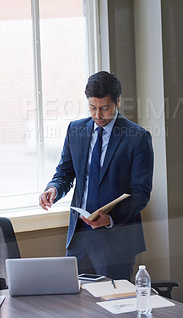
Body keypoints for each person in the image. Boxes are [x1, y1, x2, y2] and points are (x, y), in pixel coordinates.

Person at [39, 71, 153, 281]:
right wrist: (53, 188)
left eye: (104, 108)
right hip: (79, 236)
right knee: (76, 305)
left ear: (117, 102)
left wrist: (110, 218)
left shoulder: (138, 138)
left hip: (115, 238)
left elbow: (141, 194)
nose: (98, 115)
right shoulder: (75, 130)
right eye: (92, 107)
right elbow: (64, 172)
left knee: (114, 308)